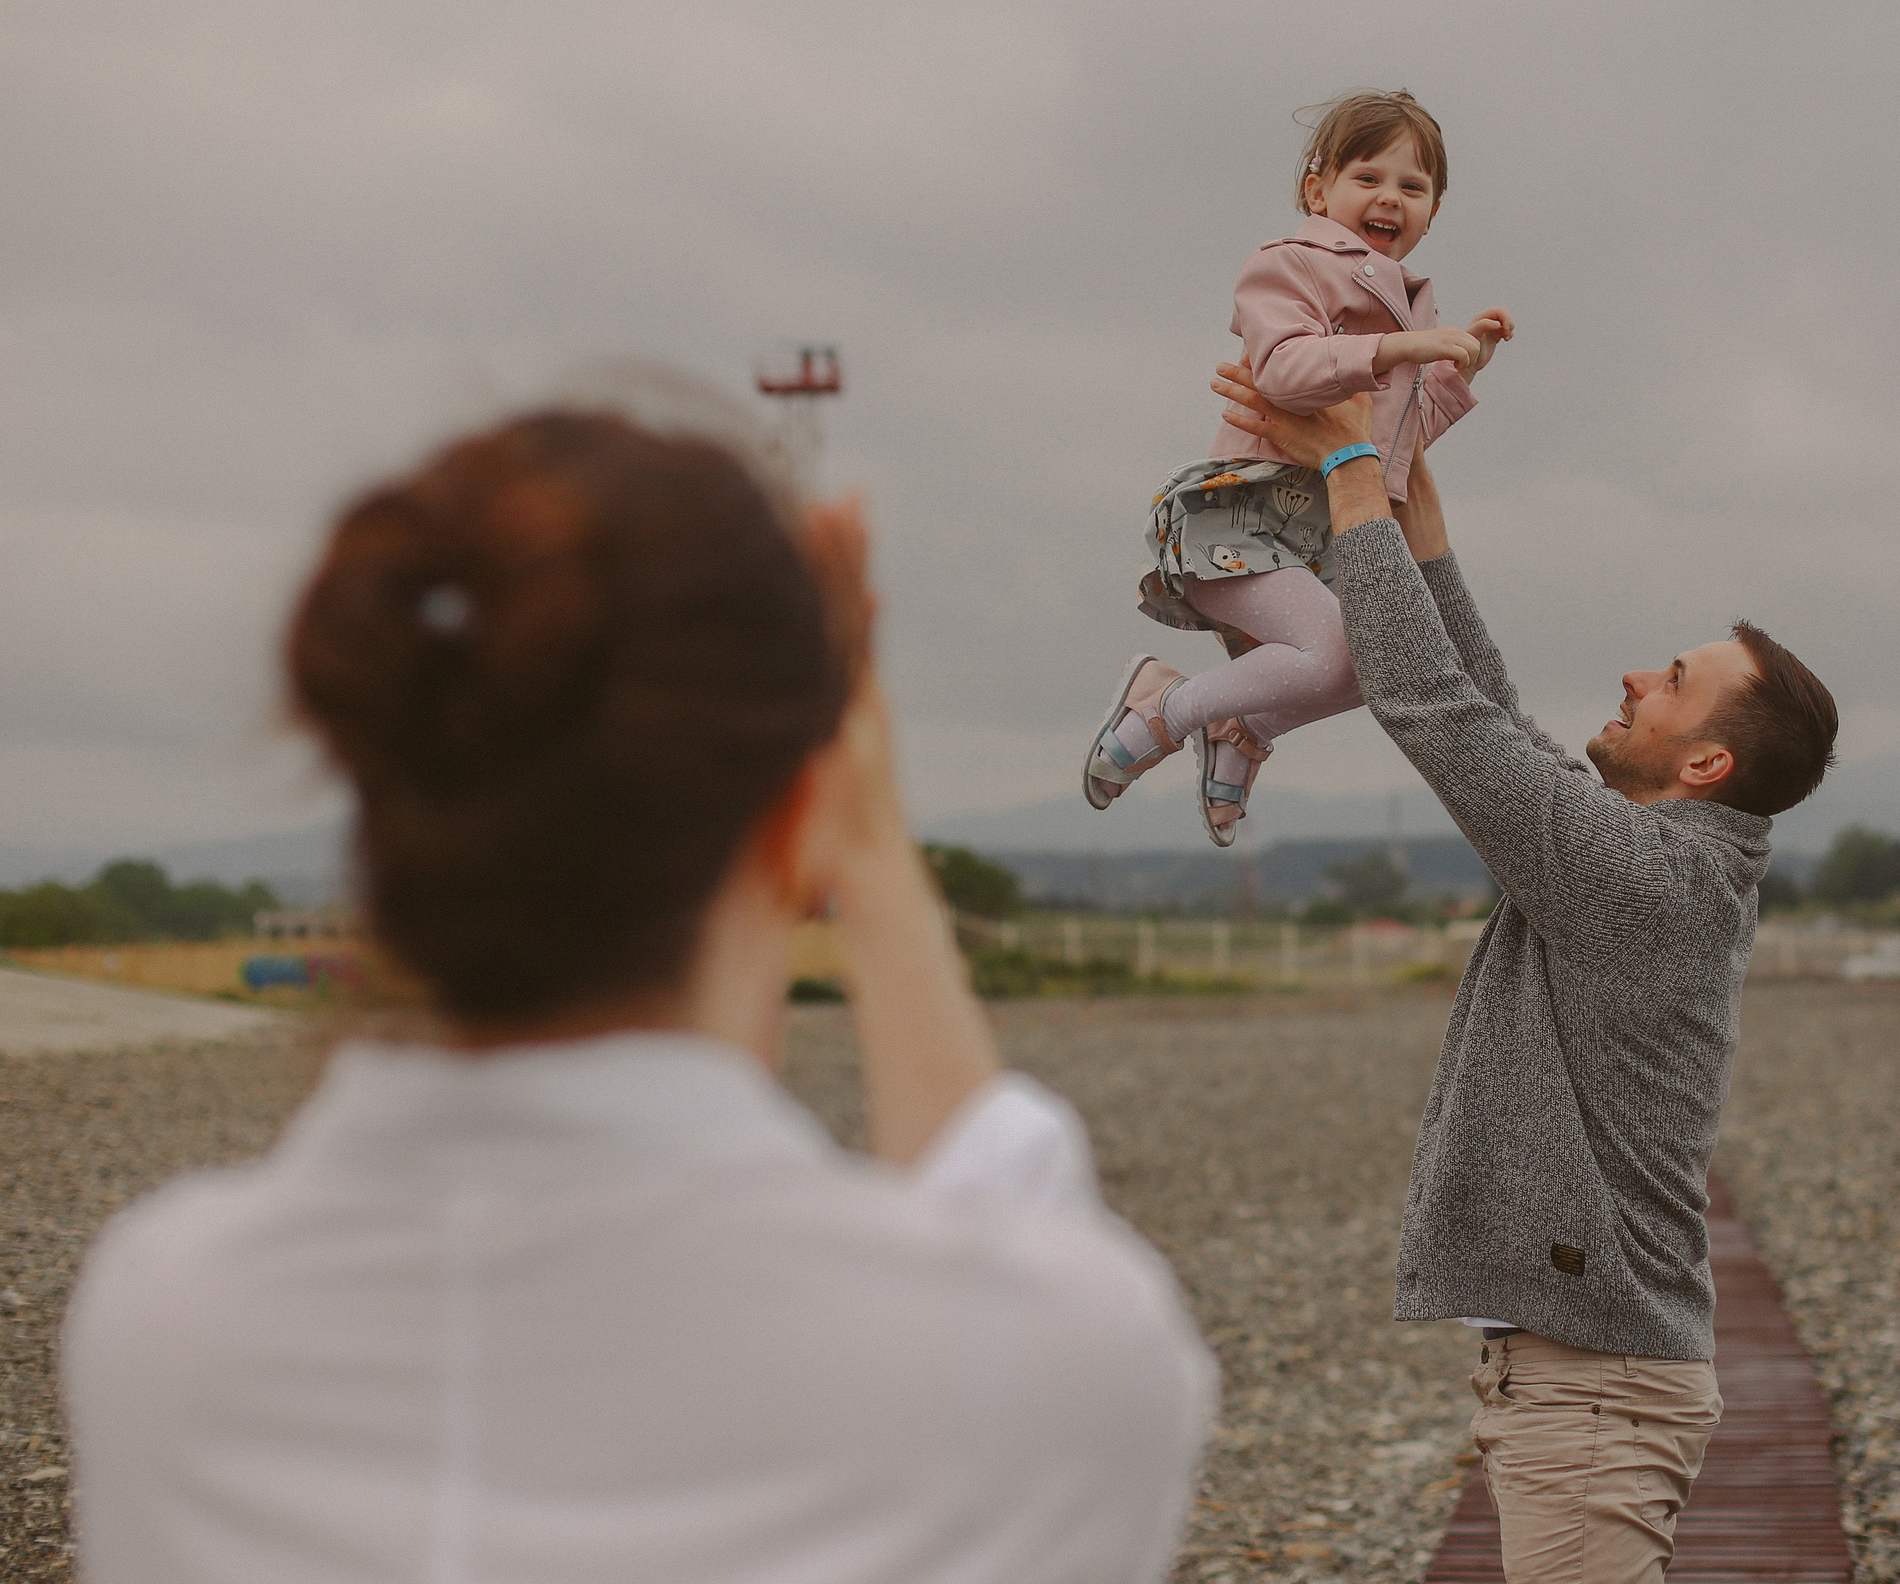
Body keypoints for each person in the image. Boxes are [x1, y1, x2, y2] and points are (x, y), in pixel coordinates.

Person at [62, 409, 1214, 1584]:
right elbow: (1009, 1234)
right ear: (789, 824)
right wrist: (864, 845)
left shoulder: (166, 1324)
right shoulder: (1053, 1362)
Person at [1213, 367, 1840, 1584]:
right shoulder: (1658, 860)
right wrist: (1406, 495)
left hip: (1596, 1395)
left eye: (1668, 679)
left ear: (1705, 758)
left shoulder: (1643, 880)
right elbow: (1490, 709)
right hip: (1587, 1379)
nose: (1631, 677)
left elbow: (1439, 714)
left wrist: (1348, 474)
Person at [1081, 87, 1516, 844]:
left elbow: (1391, 444)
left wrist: (1458, 369)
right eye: (1369, 178)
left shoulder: (1411, 303)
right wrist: (1405, 349)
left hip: (1317, 532)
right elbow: (1282, 369)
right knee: (1350, 650)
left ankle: (1241, 726)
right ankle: (1168, 706)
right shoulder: (1288, 264)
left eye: (1413, 187)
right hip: (1245, 513)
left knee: (1380, 659)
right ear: (1319, 190)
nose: (1390, 198)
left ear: (1434, 210)